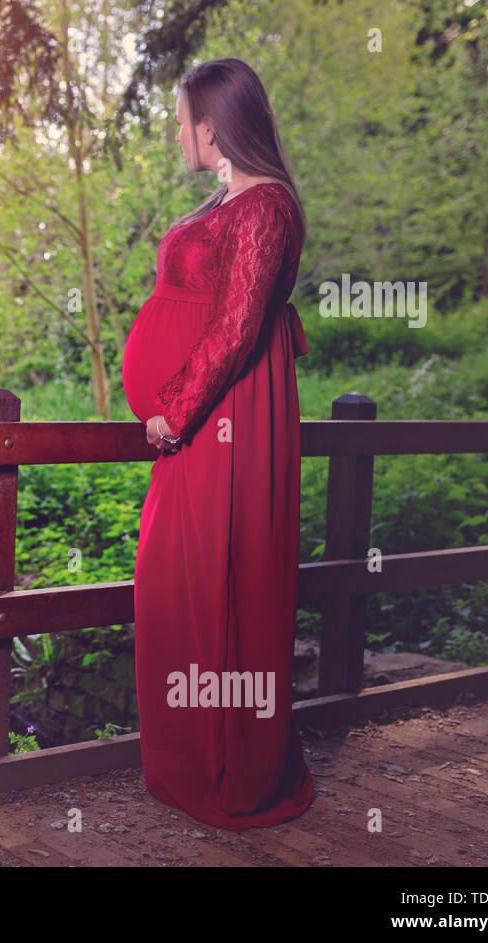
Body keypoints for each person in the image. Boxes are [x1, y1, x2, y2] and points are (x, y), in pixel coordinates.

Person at [120, 57, 315, 830]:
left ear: (214, 124)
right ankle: (189, 760)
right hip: (206, 419)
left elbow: (236, 327)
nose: (176, 132)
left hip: (225, 417)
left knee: (221, 582)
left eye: (182, 119)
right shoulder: (227, 199)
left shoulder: (264, 206)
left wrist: (175, 405)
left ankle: (233, 767)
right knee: (174, 582)